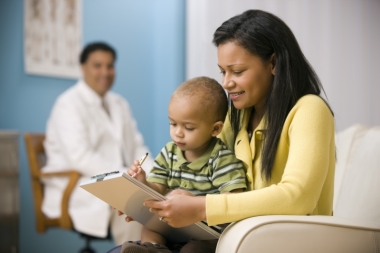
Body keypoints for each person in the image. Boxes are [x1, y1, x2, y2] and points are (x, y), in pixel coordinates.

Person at [140, 9, 336, 253]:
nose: (226, 82)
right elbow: (205, 172)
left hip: (290, 242)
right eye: (223, 71)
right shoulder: (236, 117)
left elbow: (298, 197)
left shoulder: (310, 110)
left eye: (238, 71)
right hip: (240, 239)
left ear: (273, 63)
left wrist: (201, 207)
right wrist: (152, 199)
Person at [42, 42, 154, 245]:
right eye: (97, 65)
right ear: (83, 67)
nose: (105, 72)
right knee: (133, 208)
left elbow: (137, 147)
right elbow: (80, 157)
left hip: (118, 179)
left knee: (164, 199)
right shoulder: (68, 104)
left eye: (110, 66)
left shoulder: (119, 103)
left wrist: (155, 175)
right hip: (79, 184)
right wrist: (125, 176)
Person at [120, 77, 247, 253]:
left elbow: (234, 203)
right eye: (173, 124)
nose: (178, 133)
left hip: (206, 233)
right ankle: (154, 249)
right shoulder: (169, 152)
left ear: (215, 129)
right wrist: (143, 182)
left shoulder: (221, 159)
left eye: (188, 127)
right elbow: (158, 188)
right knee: (149, 228)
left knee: (194, 249)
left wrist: (193, 203)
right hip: (173, 224)